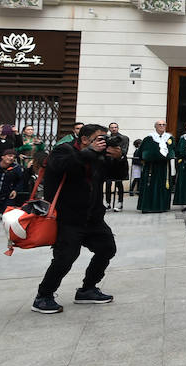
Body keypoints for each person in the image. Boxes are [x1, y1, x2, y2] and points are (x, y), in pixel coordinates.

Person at [32, 124, 122, 314]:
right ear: (84, 139)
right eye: (99, 138)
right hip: (68, 217)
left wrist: (117, 158)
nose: (103, 142)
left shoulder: (98, 155)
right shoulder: (62, 150)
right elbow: (64, 166)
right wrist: (89, 152)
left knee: (107, 249)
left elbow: (118, 175)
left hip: (93, 217)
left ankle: (87, 289)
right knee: (66, 257)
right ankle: (43, 296)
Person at [137, 120, 173, 213]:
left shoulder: (170, 138)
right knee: (150, 186)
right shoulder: (149, 138)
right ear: (155, 126)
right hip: (151, 166)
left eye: (163, 124)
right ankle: (148, 207)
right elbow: (141, 152)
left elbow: (172, 150)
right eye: (159, 125)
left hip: (164, 166)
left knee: (163, 186)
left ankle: (161, 206)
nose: (162, 126)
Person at [103, 122, 129, 211]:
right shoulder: (106, 138)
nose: (114, 129)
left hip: (119, 163)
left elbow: (124, 150)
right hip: (108, 163)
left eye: (115, 127)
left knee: (119, 183)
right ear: (109, 129)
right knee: (108, 183)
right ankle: (107, 202)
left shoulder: (124, 138)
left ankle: (120, 202)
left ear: (118, 128)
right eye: (112, 127)